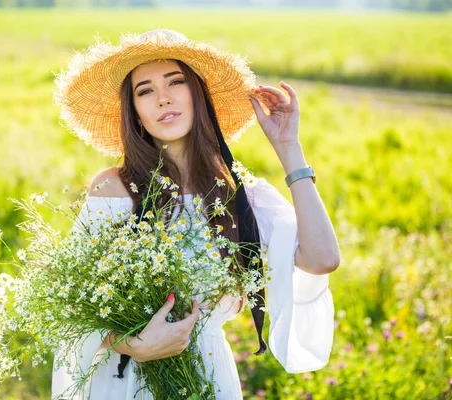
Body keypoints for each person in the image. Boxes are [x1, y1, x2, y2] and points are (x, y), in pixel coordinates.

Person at [51, 29, 339, 400]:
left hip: (208, 375)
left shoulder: (241, 196)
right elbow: (68, 306)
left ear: (198, 95)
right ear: (134, 110)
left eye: (176, 82)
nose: (163, 98)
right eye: (145, 90)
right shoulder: (113, 190)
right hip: (121, 383)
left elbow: (323, 259)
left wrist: (289, 149)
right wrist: (130, 344)